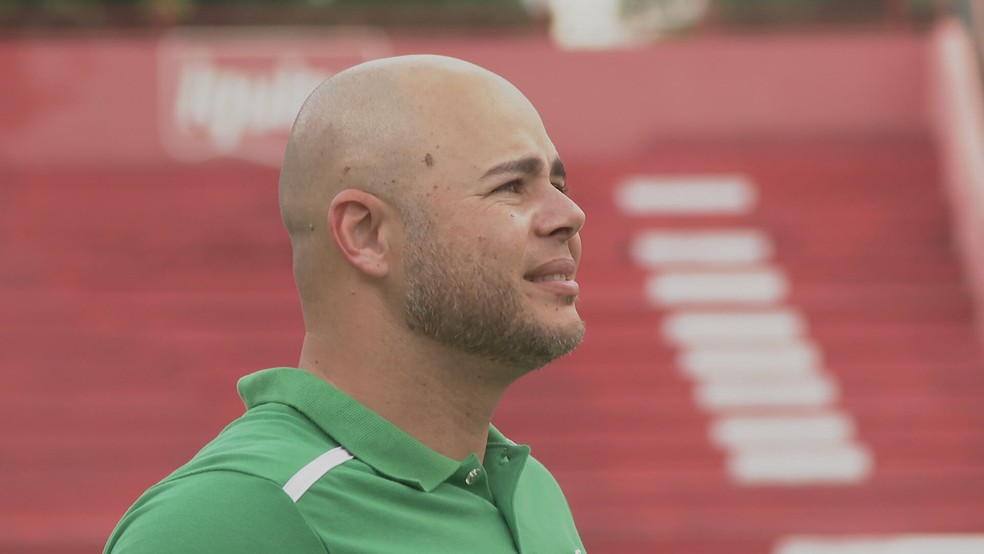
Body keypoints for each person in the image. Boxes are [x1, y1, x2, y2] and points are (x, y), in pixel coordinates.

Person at [104, 54, 587, 553]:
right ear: (365, 233)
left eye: (558, 184)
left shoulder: (530, 491)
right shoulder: (225, 518)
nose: (570, 215)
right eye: (511, 186)